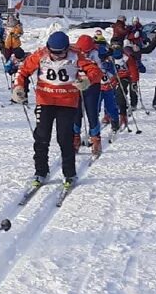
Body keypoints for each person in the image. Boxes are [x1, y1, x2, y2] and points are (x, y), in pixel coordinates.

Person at [13, 30, 102, 189]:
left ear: (67, 49)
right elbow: (24, 70)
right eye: (53, 52)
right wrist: (19, 87)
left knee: (65, 139)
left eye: (60, 53)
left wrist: (87, 80)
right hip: (45, 100)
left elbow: (96, 71)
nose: (56, 56)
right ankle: (40, 171)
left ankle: (69, 174)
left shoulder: (76, 55)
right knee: (41, 137)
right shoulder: (41, 54)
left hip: (67, 102)